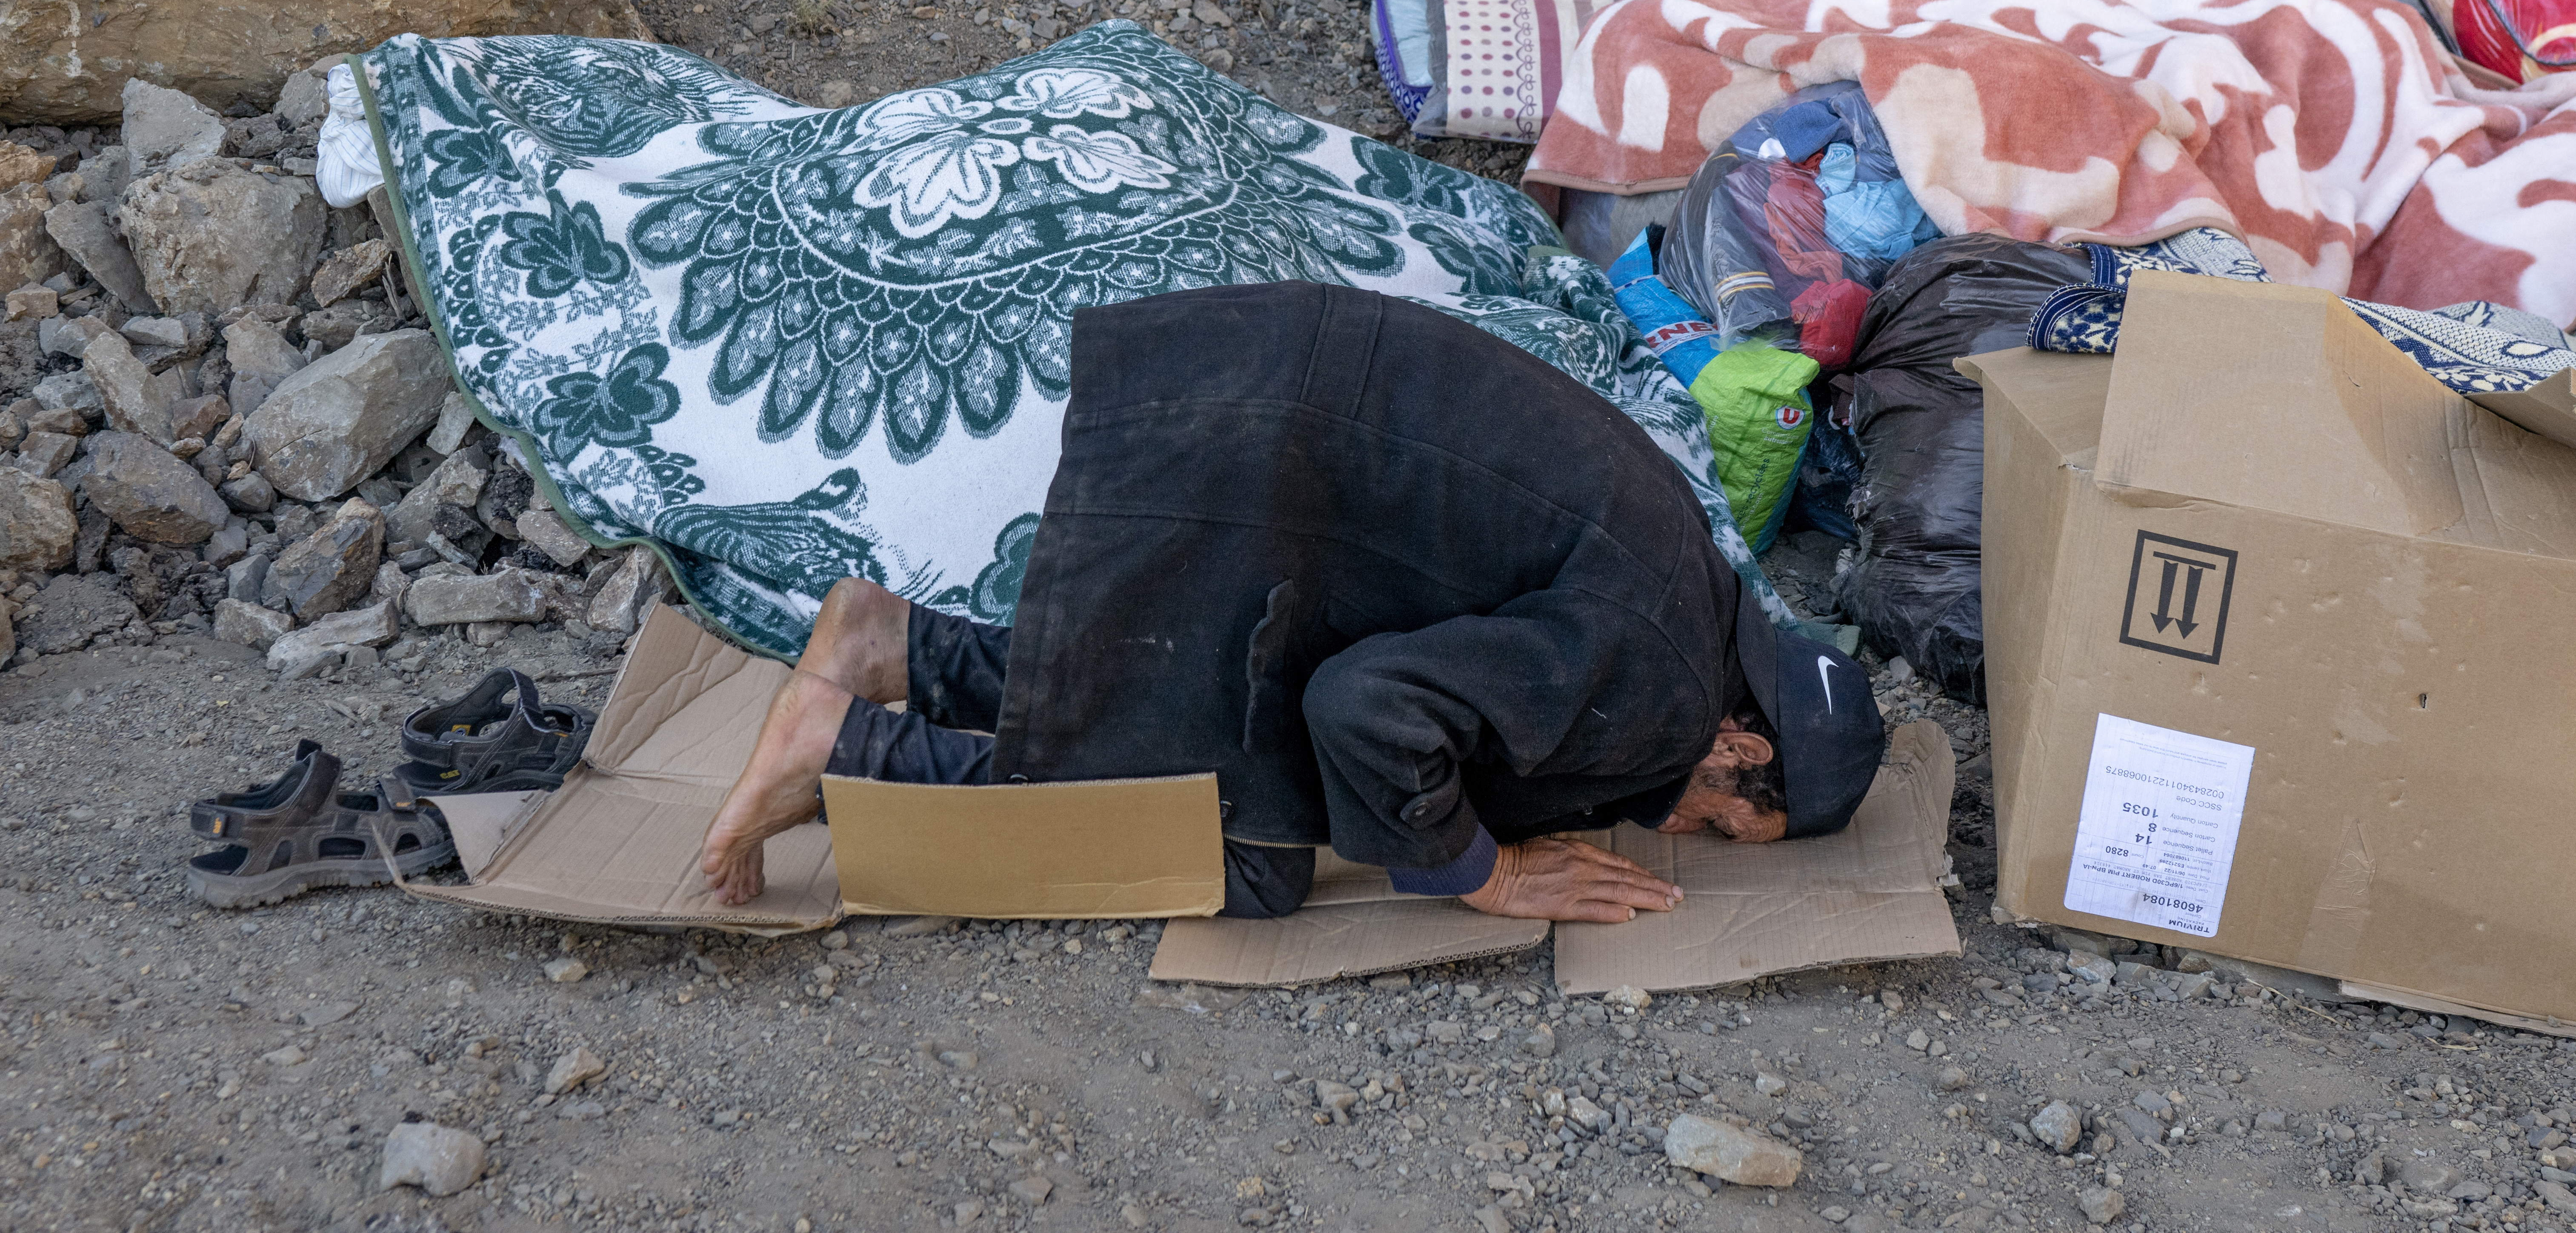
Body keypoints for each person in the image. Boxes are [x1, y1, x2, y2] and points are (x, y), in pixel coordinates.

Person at [697, 281, 1887, 921]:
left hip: (1268, 400)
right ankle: (849, 754)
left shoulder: (1692, 602)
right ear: (1740, 737)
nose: (1685, 832)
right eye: (1729, 814)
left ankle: (891, 644)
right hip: (1264, 454)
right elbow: (1367, 706)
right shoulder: (1656, 694)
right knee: (1239, 855)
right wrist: (1481, 872)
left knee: (1167, 687)